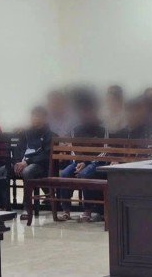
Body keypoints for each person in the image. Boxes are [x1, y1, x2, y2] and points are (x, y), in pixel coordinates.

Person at [0, 106, 53, 220]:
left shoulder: (49, 134)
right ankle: (5, 206)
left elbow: (45, 155)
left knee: (27, 171)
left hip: (39, 165)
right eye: (33, 116)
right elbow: (17, 149)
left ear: (45, 118)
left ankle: (27, 208)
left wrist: (27, 162)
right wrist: (17, 162)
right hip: (22, 163)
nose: (35, 118)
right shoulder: (25, 133)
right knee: (2, 170)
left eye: (38, 116)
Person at [58, 94, 106, 222]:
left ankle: (87, 210)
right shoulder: (76, 129)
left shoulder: (102, 130)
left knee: (85, 174)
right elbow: (74, 150)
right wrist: (80, 162)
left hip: (96, 163)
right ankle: (66, 210)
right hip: (78, 162)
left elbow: (104, 152)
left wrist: (86, 162)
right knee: (65, 174)